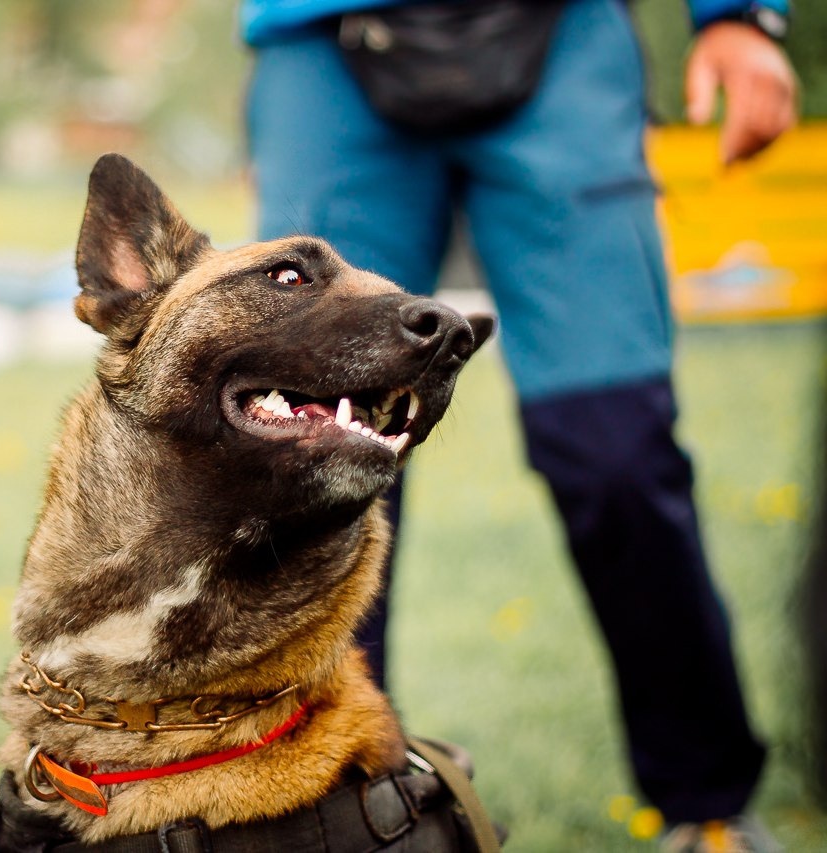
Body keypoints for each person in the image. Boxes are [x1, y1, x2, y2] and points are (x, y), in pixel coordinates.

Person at [241, 0, 798, 850]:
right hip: (326, 50)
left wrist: (739, 15)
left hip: (560, 40)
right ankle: (320, 816)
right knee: (317, 457)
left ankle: (709, 801)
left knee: (616, 446)